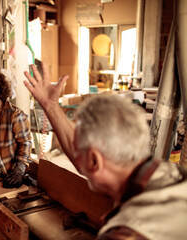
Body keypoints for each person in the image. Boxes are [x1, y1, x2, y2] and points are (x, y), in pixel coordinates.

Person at [24, 62, 187, 239]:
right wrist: (51, 106)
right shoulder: (171, 173)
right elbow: (85, 158)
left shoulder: (124, 234)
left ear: (94, 161)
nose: (75, 155)